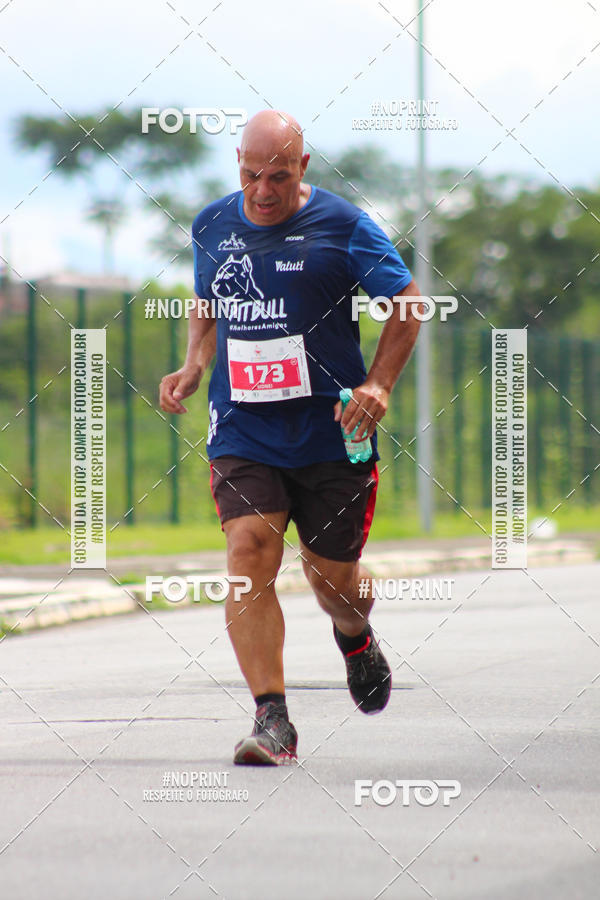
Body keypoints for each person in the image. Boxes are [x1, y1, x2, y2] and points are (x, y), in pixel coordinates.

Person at [159, 110, 422, 766]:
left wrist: (379, 384)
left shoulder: (345, 226)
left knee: (331, 580)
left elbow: (409, 304)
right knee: (248, 552)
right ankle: (272, 718)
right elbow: (208, 300)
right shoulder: (213, 225)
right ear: (238, 165)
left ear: (303, 167)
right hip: (243, 426)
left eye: (278, 176)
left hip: (331, 433)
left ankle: (354, 633)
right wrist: (194, 364)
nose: (263, 191)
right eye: (251, 175)